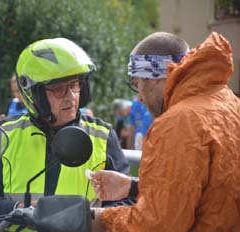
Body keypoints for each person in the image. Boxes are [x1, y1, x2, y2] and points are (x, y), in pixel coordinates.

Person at [91, 32, 240, 231]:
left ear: (153, 78)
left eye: (137, 84)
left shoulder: (177, 123)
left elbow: (156, 225)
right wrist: (135, 187)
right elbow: (212, 191)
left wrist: (97, 217)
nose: (140, 99)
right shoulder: (231, 104)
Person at [0, 38, 134, 228]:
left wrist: (84, 217)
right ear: (34, 94)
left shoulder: (102, 136)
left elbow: (125, 206)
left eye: (75, 85)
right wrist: (19, 209)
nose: (71, 96)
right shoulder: (6, 134)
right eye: (59, 89)